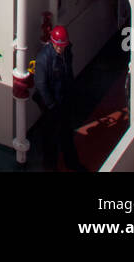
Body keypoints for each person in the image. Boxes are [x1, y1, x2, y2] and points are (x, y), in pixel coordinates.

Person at [34, 24, 86, 171]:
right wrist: (51, 106)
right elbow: (41, 85)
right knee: (50, 139)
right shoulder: (43, 59)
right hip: (51, 105)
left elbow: (68, 73)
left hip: (63, 100)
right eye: (58, 46)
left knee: (66, 134)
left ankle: (73, 164)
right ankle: (50, 168)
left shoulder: (66, 53)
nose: (60, 49)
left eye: (62, 46)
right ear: (52, 43)